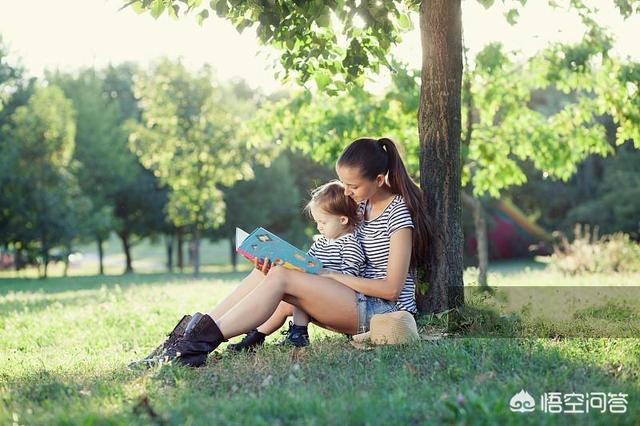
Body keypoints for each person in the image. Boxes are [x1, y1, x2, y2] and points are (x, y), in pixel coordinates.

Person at [135, 137, 430, 368]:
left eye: (352, 186)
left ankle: (193, 348)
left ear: (379, 180)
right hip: (351, 298)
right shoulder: (360, 205)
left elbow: (391, 289)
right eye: (344, 184)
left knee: (281, 278)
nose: (347, 192)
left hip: (381, 312)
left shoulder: (398, 216)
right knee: (267, 270)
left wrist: (328, 275)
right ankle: (189, 335)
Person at [227, 180, 365, 352]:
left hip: (342, 301)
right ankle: (256, 336)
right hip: (319, 291)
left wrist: (322, 275)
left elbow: (350, 280)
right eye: (316, 222)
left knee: (299, 285)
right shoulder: (322, 243)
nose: (319, 227)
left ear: (343, 219)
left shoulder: (351, 245)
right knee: (286, 294)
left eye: (323, 222)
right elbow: (308, 263)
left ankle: (298, 332)